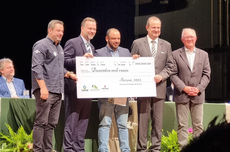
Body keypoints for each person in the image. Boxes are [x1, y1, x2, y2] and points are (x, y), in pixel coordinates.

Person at [31, 20, 76, 152]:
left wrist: (68, 74)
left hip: (57, 91)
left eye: (62, 31)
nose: (61, 33)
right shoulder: (41, 45)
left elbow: (58, 68)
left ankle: (47, 149)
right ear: (49, 30)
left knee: (51, 124)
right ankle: (37, 150)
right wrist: (43, 88)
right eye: (58, 30)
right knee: (41, 123)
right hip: (46, 90)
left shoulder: (59, 48)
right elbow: (36, 67)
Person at [131, 16, 174, 152]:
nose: (156, 30)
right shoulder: (137, 43)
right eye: (153, 27)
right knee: (143, 122)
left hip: (159, 89)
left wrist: (161, 76)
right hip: (143, 89)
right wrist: (133, 59)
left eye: (158, 27)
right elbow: (130, 66)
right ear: (147, 27)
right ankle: (141, 149)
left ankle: (156, 149)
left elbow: (171, 66)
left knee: (157, 123)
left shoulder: (166, 45)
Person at [170, 28, 211, 149]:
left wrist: (198, 88)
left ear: (196, 38)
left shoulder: (204, 55)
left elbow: (207, 74)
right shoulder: (175, 54)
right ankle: (183, 149)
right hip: (182, 95)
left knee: (198, 126)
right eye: (187, 37)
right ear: (182, 40)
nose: (190, 39)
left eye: (192, 37)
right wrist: (184, 88)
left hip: (198, 95)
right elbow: (172, 74)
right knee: (182, 125)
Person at [95, 28, 131, 152]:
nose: (116, 41)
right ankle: (103, 149)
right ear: (107, 39)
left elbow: (131, 70)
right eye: (114, 38)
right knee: (105, 124)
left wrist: (135, 61)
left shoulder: (126, 52)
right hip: (107, 96)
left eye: (118, 38)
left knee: (123, 125)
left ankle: (125, 149)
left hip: (122, 95)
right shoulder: (98, 53)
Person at [63, 17, 96, 152]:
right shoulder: (73, 42)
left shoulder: (92, 47)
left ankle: (79, 147)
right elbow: (64, 61)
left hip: (88, 90)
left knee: (83, 121)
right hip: (74, 89)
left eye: (94, 29)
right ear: (82, 28)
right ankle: (69, 148)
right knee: (72, 121)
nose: (92, 31)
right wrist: (80, 60)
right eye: (90, 28)